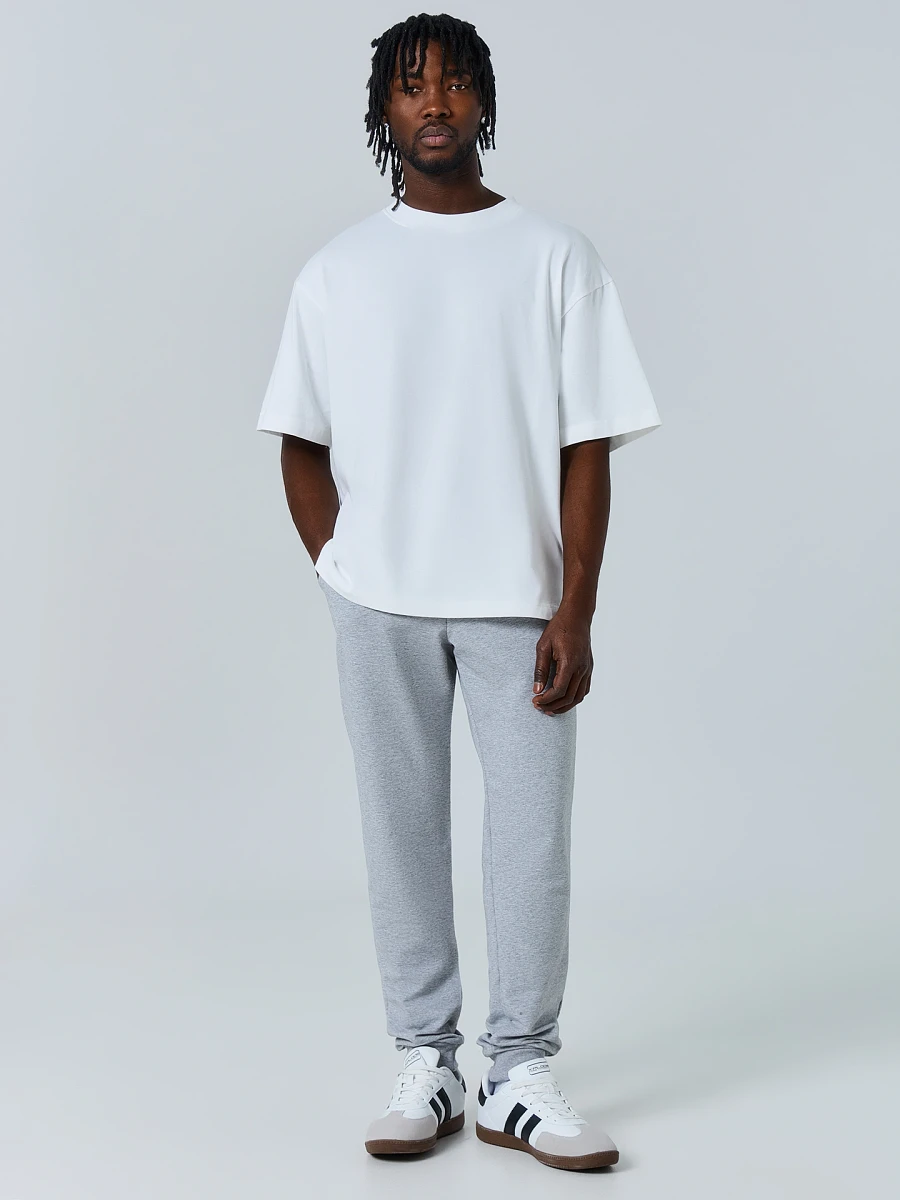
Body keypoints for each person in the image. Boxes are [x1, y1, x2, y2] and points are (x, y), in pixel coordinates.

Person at [256, 12, 661, 1173]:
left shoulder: (555, 256)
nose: (433, 101)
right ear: (382, 112)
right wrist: (343, 571)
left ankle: (517, 1071)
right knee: (403, 831)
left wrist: (576, 604)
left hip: (517, 602)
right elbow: (298, 440)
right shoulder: (338, 270)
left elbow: (588, 442)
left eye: (454, 82)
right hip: (380, 605)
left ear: (484, 101)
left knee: (530, 842)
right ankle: (428, 1060)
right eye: (410, 84)